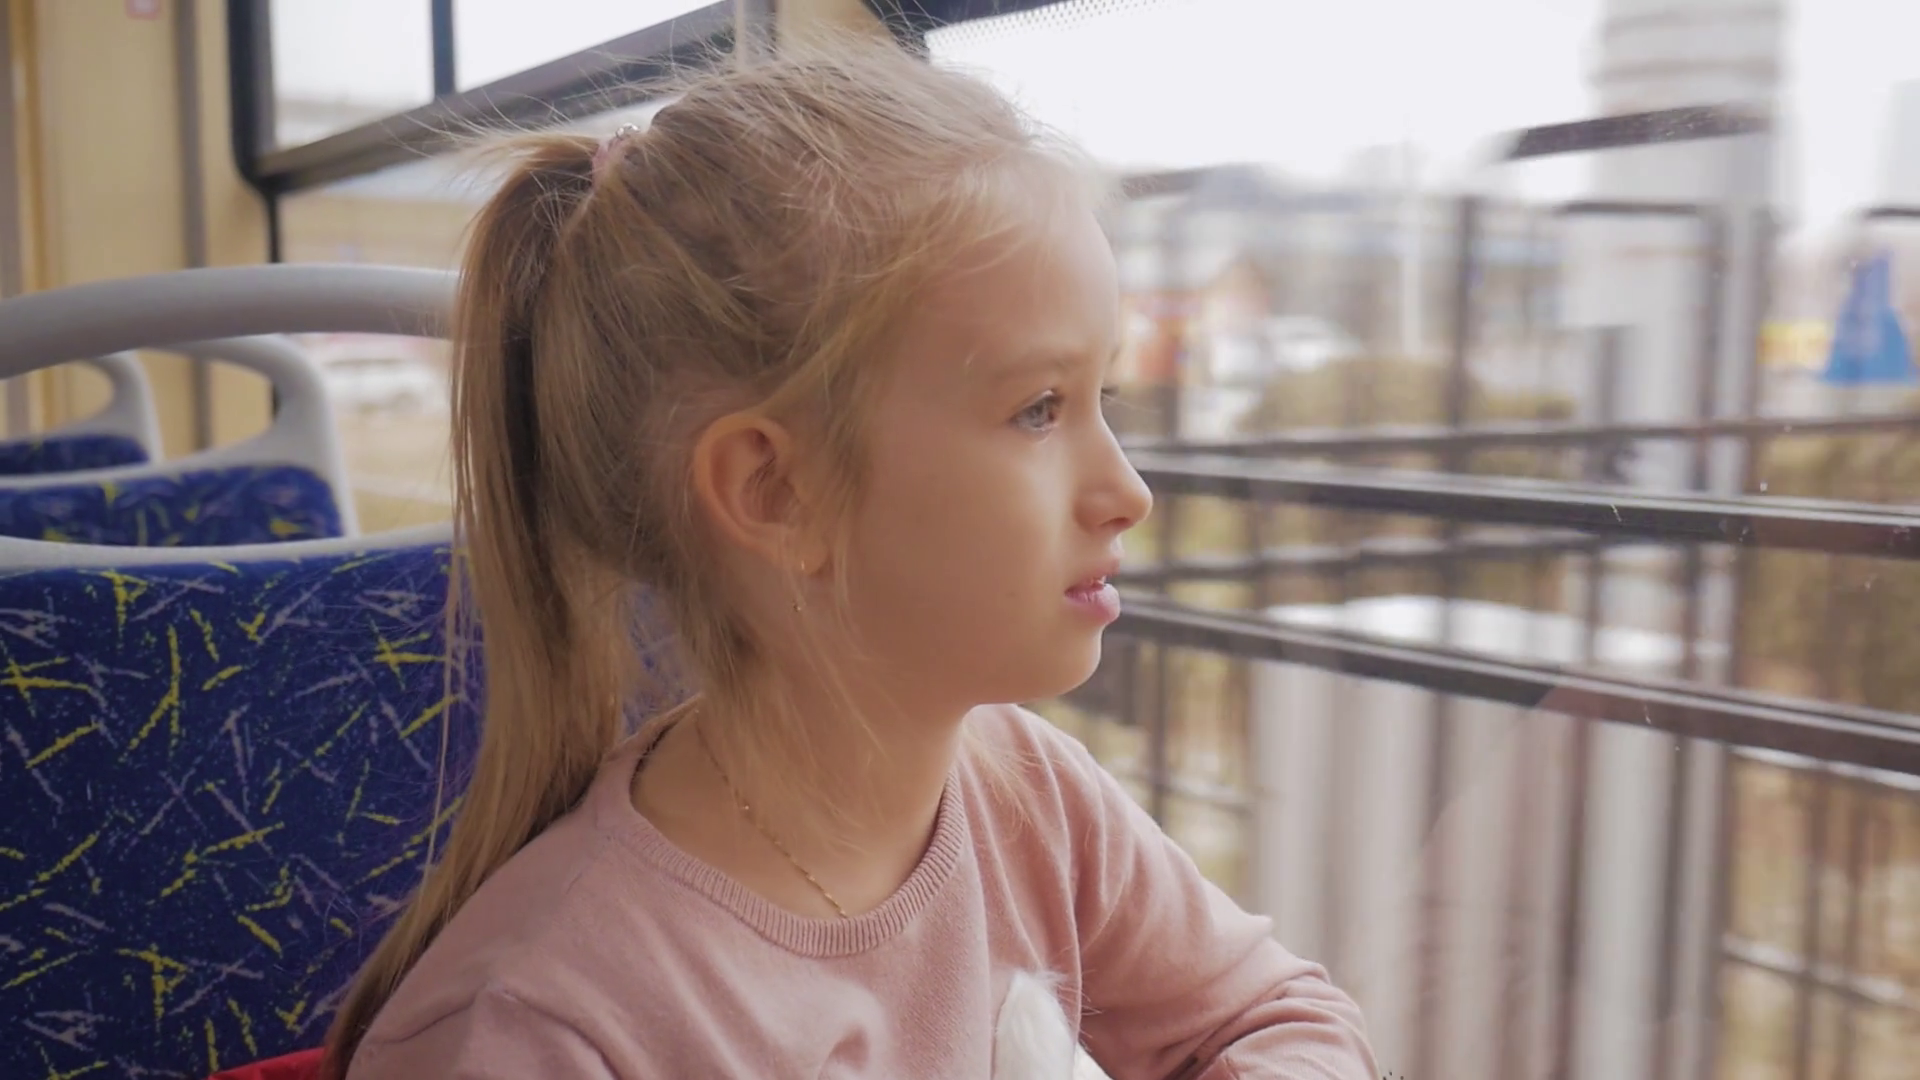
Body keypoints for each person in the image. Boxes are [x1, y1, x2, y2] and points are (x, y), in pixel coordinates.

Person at [325, 36, 1375, 1080]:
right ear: (777, 494)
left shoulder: (1030, 792)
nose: (1129, 493)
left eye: (1105, 397)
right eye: (1038, 410)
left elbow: (1286, 1020)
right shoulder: (544, 1026)